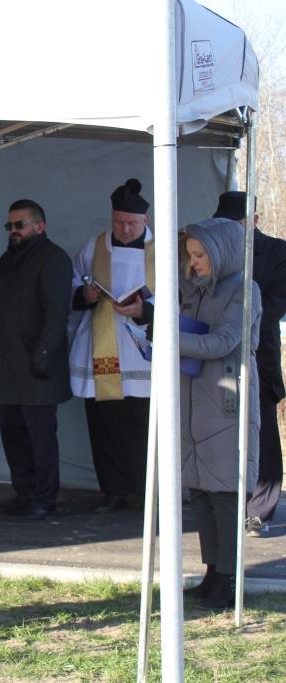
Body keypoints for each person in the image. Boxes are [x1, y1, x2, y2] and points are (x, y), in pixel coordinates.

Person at [179, 217, 260, 610]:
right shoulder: (194, 289)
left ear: (222, 253)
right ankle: (212, 572)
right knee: (200, 490)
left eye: (200, 255)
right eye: (190, 255)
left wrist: (170, 337)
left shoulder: (245, 289)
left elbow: (224, 341)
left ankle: (228, 578)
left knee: (224, 492)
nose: (193, 262)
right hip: (194, 399)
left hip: (226, 399)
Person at [0, 200, 73, 520]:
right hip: (7, 364)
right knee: (13, 435)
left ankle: (45, 498)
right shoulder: (7, 260)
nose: (13, 231)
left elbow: (56, 313)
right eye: (9, 226)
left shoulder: (53, 258)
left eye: (19, 225)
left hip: (36, 366)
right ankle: (24, 493)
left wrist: (43, 355)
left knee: (40, 437)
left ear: (39, 225)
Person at [69, 178, 155, 513]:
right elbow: (73, 283)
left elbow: (180, 296)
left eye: (132, 223)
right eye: (118, 222)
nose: (125, 229)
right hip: (102, 343)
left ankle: (146, 491)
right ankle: (114, 490)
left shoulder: (163, 250)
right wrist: (85, 295)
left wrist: (145, 310)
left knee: (142, 424)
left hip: (142, 349)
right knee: (105, 423)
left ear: (145, 220)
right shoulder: (95, 247)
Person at [212, 191, 286, 538]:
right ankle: (228, 502)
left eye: (236, 224)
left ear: (253, 222)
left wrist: (235, 316)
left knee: (262, 430)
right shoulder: (213, 252)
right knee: (221, 429)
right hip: (216, 353)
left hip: (259, 352)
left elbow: (276, 304)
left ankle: (260, 509)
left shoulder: (277, 253)